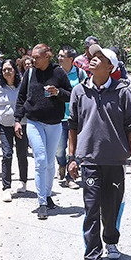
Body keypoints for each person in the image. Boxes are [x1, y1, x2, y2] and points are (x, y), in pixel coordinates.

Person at [67, 45, 131, 260]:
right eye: (92, 57)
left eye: (99, 58)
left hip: (115, 160)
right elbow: (73, 125)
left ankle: (111, 241)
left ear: (111, 67)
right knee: (91, 209)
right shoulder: (79, 91)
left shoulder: (122, 92)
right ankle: (92, 258)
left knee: (111, 207)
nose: (93, 60)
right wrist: (72, 157)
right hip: (89, 159)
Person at [14, 43, 72, 220]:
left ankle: (47, 195)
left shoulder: (58, 73)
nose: (33, 59)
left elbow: (70, 94)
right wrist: (17, 120)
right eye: (32, 57)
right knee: (40, 159)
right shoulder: (30, 73)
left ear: (48, 56)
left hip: (54, 123)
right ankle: (42, 203)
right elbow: (22, 96)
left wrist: (58, 92)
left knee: (49, 161)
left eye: (37, 57)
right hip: (34, 122)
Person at [0, 60, 29, 201]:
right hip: (4, 126)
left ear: (15, 70)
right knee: (7, 155)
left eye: (9, 69)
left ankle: (23, 181)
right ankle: (6, 187)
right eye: (4, 69)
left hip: (21, 124)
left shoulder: (22, 84)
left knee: (22, 154)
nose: (7, 72)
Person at [56, 46, 87, 188]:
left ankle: (70, 177)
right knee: (59, 149)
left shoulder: (81, 74)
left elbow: (87, 94)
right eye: (59, 55)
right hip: (58, 117)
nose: (59, 58)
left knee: (74, 149)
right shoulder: (55, 73)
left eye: (62, 56)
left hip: (76, 119)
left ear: (71, 59)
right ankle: (61, 165)